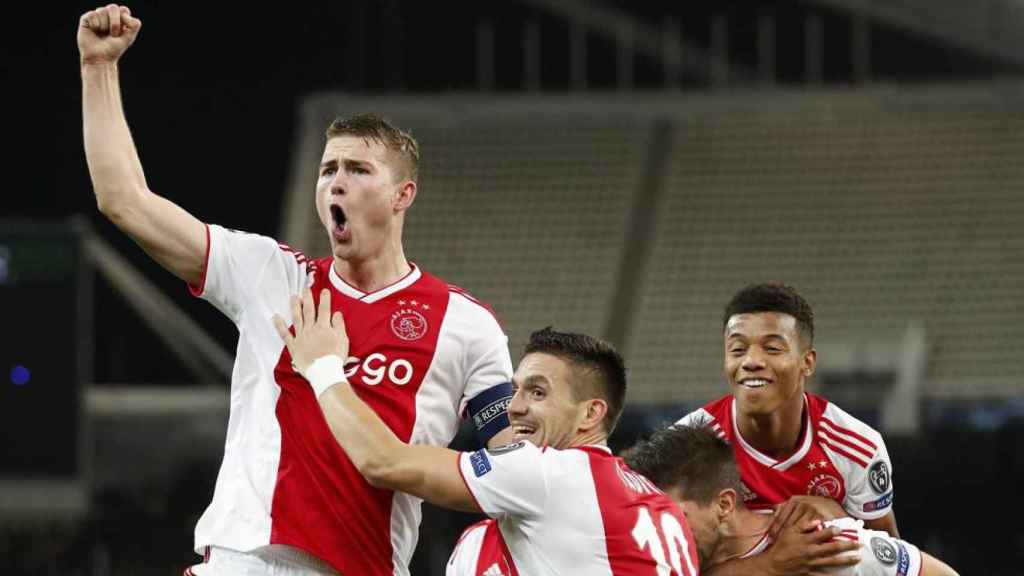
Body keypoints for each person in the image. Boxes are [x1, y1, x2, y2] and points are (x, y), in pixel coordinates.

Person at [78, 6, 515, 575]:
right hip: (236, 562)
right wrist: (97, 67)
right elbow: (125, 200)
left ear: (403, 194)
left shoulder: (464, 323)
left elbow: (513, 462)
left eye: (358, 169)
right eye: (327, 168)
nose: (336, 180)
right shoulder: (272, 274)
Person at [274, 291, 701, 575]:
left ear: (591, 414)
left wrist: (323, 368)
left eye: (537, 392)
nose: (514, 407)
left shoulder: (548, 473)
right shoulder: (664, 512)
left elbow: (383, 461)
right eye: (515, 390)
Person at [675, 284, 899, 539]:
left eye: (772, 348)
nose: (751, 362)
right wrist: (771, 563)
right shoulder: (687, 448)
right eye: (738, 349)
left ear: (807, 362)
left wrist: (840, 519)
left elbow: (890, 561)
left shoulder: (858, 448)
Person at [626, 425, 960, 576]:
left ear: (725, 505)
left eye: (672, 516)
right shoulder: (666, 562)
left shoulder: (825, 546)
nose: (659, 531)